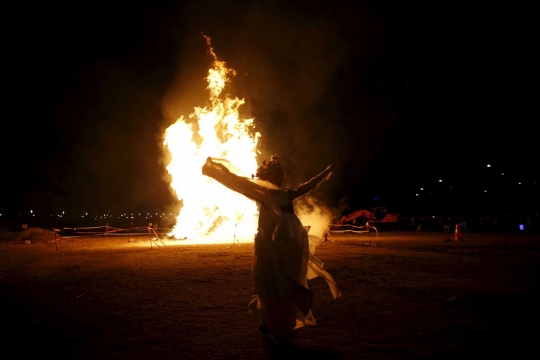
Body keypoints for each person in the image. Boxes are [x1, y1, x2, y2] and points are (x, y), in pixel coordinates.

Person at [202, 156, 341, 340]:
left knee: (281, 283)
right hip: (270, 247)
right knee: (271, 283)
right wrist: (216, 170)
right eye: (275, 175)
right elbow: (238, 182)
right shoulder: (263, 193)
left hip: (285, 246)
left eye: (278, 175)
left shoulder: (283, 193)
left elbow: (310, 185)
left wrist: (326, 171)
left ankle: (280, 321)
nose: (277, 179)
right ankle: (271, 321)